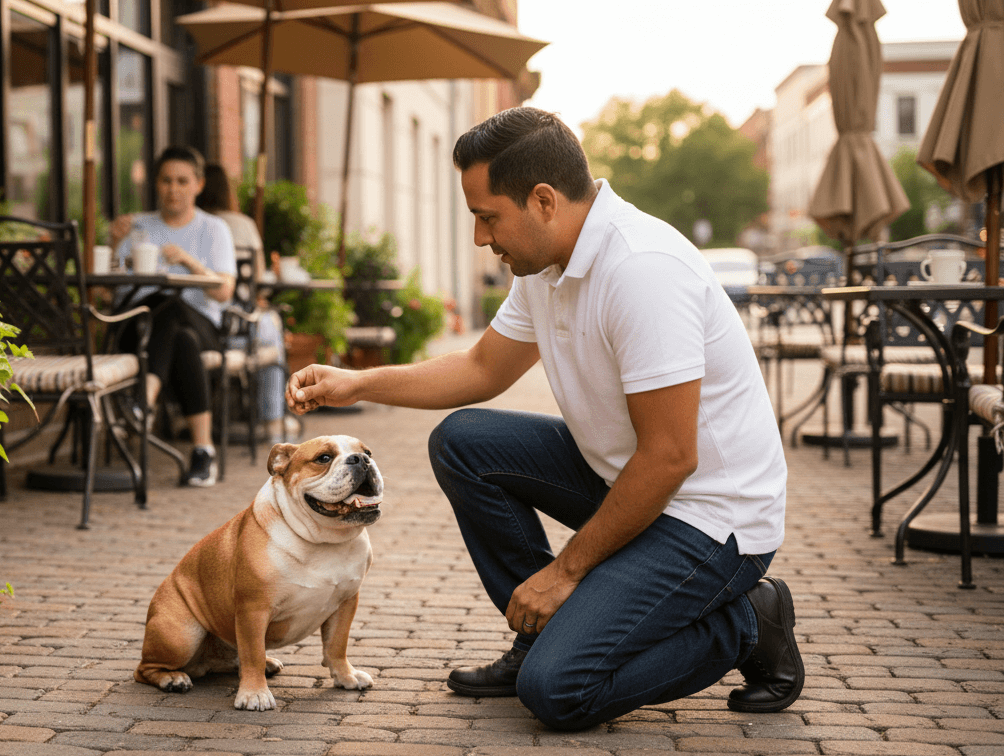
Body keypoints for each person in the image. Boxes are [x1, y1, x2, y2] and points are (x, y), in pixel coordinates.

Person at [285, 107, 800, 729]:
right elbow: (481, 368)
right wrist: (357, 382)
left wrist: (564, 573)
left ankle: (747, 622)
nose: (481, 238)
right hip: (631, 483)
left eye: (488, 217)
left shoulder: (642, 270)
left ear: (544, 201)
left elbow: (670, 457)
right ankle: (539, 637)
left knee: (559, 691)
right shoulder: (547, 264)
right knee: (465, 442)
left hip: (712, 520)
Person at [109, 145, 237, 487]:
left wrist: (190, 262)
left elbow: (225, 292)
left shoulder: (214, 229)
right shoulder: (136, 226)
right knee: (179, 335)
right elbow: (108, 293)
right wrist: (113, 244)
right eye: (166, 180)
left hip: (202, 322)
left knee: (174, 309)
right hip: (138, 326)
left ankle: (144, 400)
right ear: (156, 183)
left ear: (198, 184)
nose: (173, 189)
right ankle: (203, 451)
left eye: (182, 181)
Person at [195, 162, 296, 444]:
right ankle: (273, 419)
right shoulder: (243, 225)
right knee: (270, 328)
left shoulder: (195, 226)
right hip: (238, 326)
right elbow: (258, 278)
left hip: (202, 322)